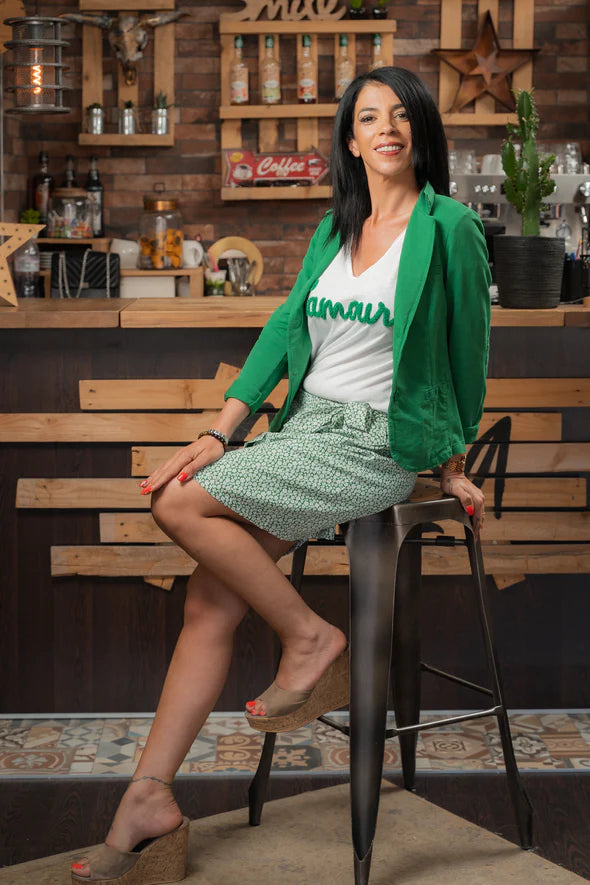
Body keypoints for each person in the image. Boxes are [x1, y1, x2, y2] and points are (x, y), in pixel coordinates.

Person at [71, 66, 489, 883]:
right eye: (368, 117)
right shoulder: (336, 229)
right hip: (306, 432)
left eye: (400, 115)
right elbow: (281, 330)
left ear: (420, 130)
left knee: (179, 504)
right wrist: (219, 431)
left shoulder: (451, 228)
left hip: (375, 443)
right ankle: (149, 800)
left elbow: (468, 354)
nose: (386, 128)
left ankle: (311, 639)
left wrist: (451, 460)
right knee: (209, 599)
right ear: (350, 141)